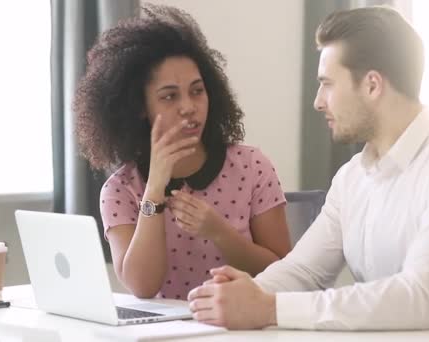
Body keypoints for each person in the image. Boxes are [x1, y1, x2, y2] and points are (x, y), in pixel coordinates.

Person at [188, 6, 429, 335]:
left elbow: (417, 298)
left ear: (372, 85)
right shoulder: (352, 177)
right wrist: (248, 294)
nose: (318, 101)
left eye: (327, 84)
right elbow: (304, 270)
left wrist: (268, 307)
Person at [72, 4, 291, 300]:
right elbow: (142, 286)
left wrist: (219, 233)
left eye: (197, 91)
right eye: (169, 96)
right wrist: (154, 189)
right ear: (139, 108)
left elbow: (284, 273)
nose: (188, 106)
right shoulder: (120, 190)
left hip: (242, 326)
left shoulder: (252, 166)